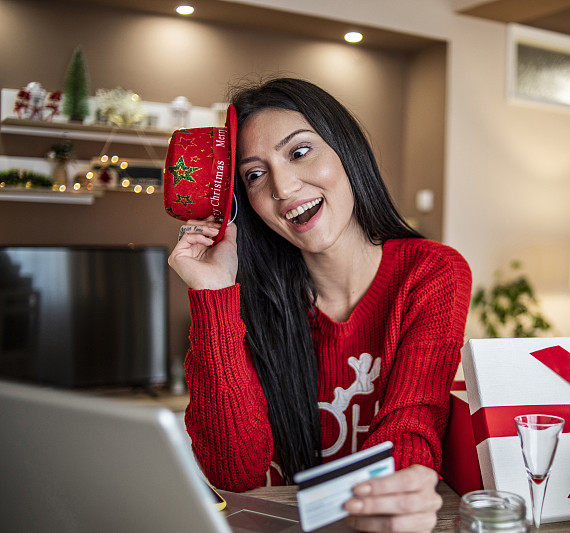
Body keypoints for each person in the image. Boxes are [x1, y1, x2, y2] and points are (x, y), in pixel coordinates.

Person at [168, 78, 471, 532]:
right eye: (254, 174)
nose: (284, 188)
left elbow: (413, 417)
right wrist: (212, 295)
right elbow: (236, 474)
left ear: (346, 151)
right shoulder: (243, 299)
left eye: (299, 151)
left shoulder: (431, 273)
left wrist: (399, 489)